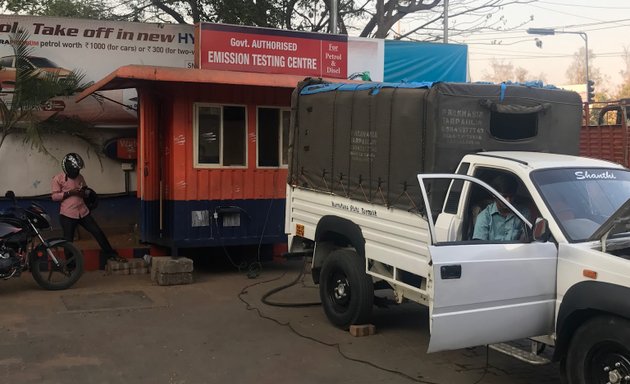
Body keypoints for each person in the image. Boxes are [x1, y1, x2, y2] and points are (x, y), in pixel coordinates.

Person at [51, 153, 126, 262]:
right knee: (68, 241)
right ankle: (71, 266)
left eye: (78, 170)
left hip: (83, 212)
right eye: (75, 170)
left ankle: (111, 254)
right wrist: (69, 193)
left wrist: (85, 193)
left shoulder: (80, 177)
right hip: (67, 214)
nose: (77, 172)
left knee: (97, 232)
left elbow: (85, 191)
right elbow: (54, 197)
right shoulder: (58, 179)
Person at [472, 174, 530, 242]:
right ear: (494, 195)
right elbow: (479, 247)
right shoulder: (484, 217)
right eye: (504, 197)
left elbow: (525, 243)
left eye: (511, 196)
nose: (508, 201)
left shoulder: (523, 214)